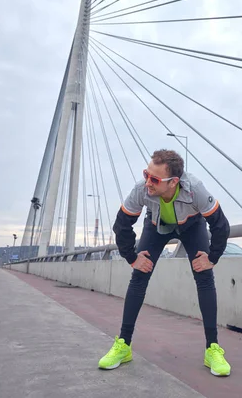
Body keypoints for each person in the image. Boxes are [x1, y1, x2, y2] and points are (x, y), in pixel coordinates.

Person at [98, 149, 231, 376]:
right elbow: (121, 225)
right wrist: (132, 257)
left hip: (191, 225)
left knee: (204, 276)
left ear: (174, 182)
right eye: (146, 175)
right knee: (139, 276)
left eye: (155, 179)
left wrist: (212, 258)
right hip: (156, 225)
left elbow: (220, 225)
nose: (148, 182)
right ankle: (123, 345)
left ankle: (212, 349)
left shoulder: (195, 189)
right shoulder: (142, 189)